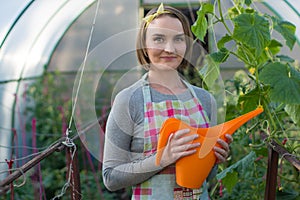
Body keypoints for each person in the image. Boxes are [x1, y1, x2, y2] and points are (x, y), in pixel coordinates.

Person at [102, 3, 233, 199]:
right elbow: (111, 178)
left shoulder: (205, 100)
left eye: (178, 39)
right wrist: (161, 159)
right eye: (159, 39)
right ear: (144, 45)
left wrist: (215, 159)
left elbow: (207, 177)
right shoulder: (129, 100)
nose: (169, 48)